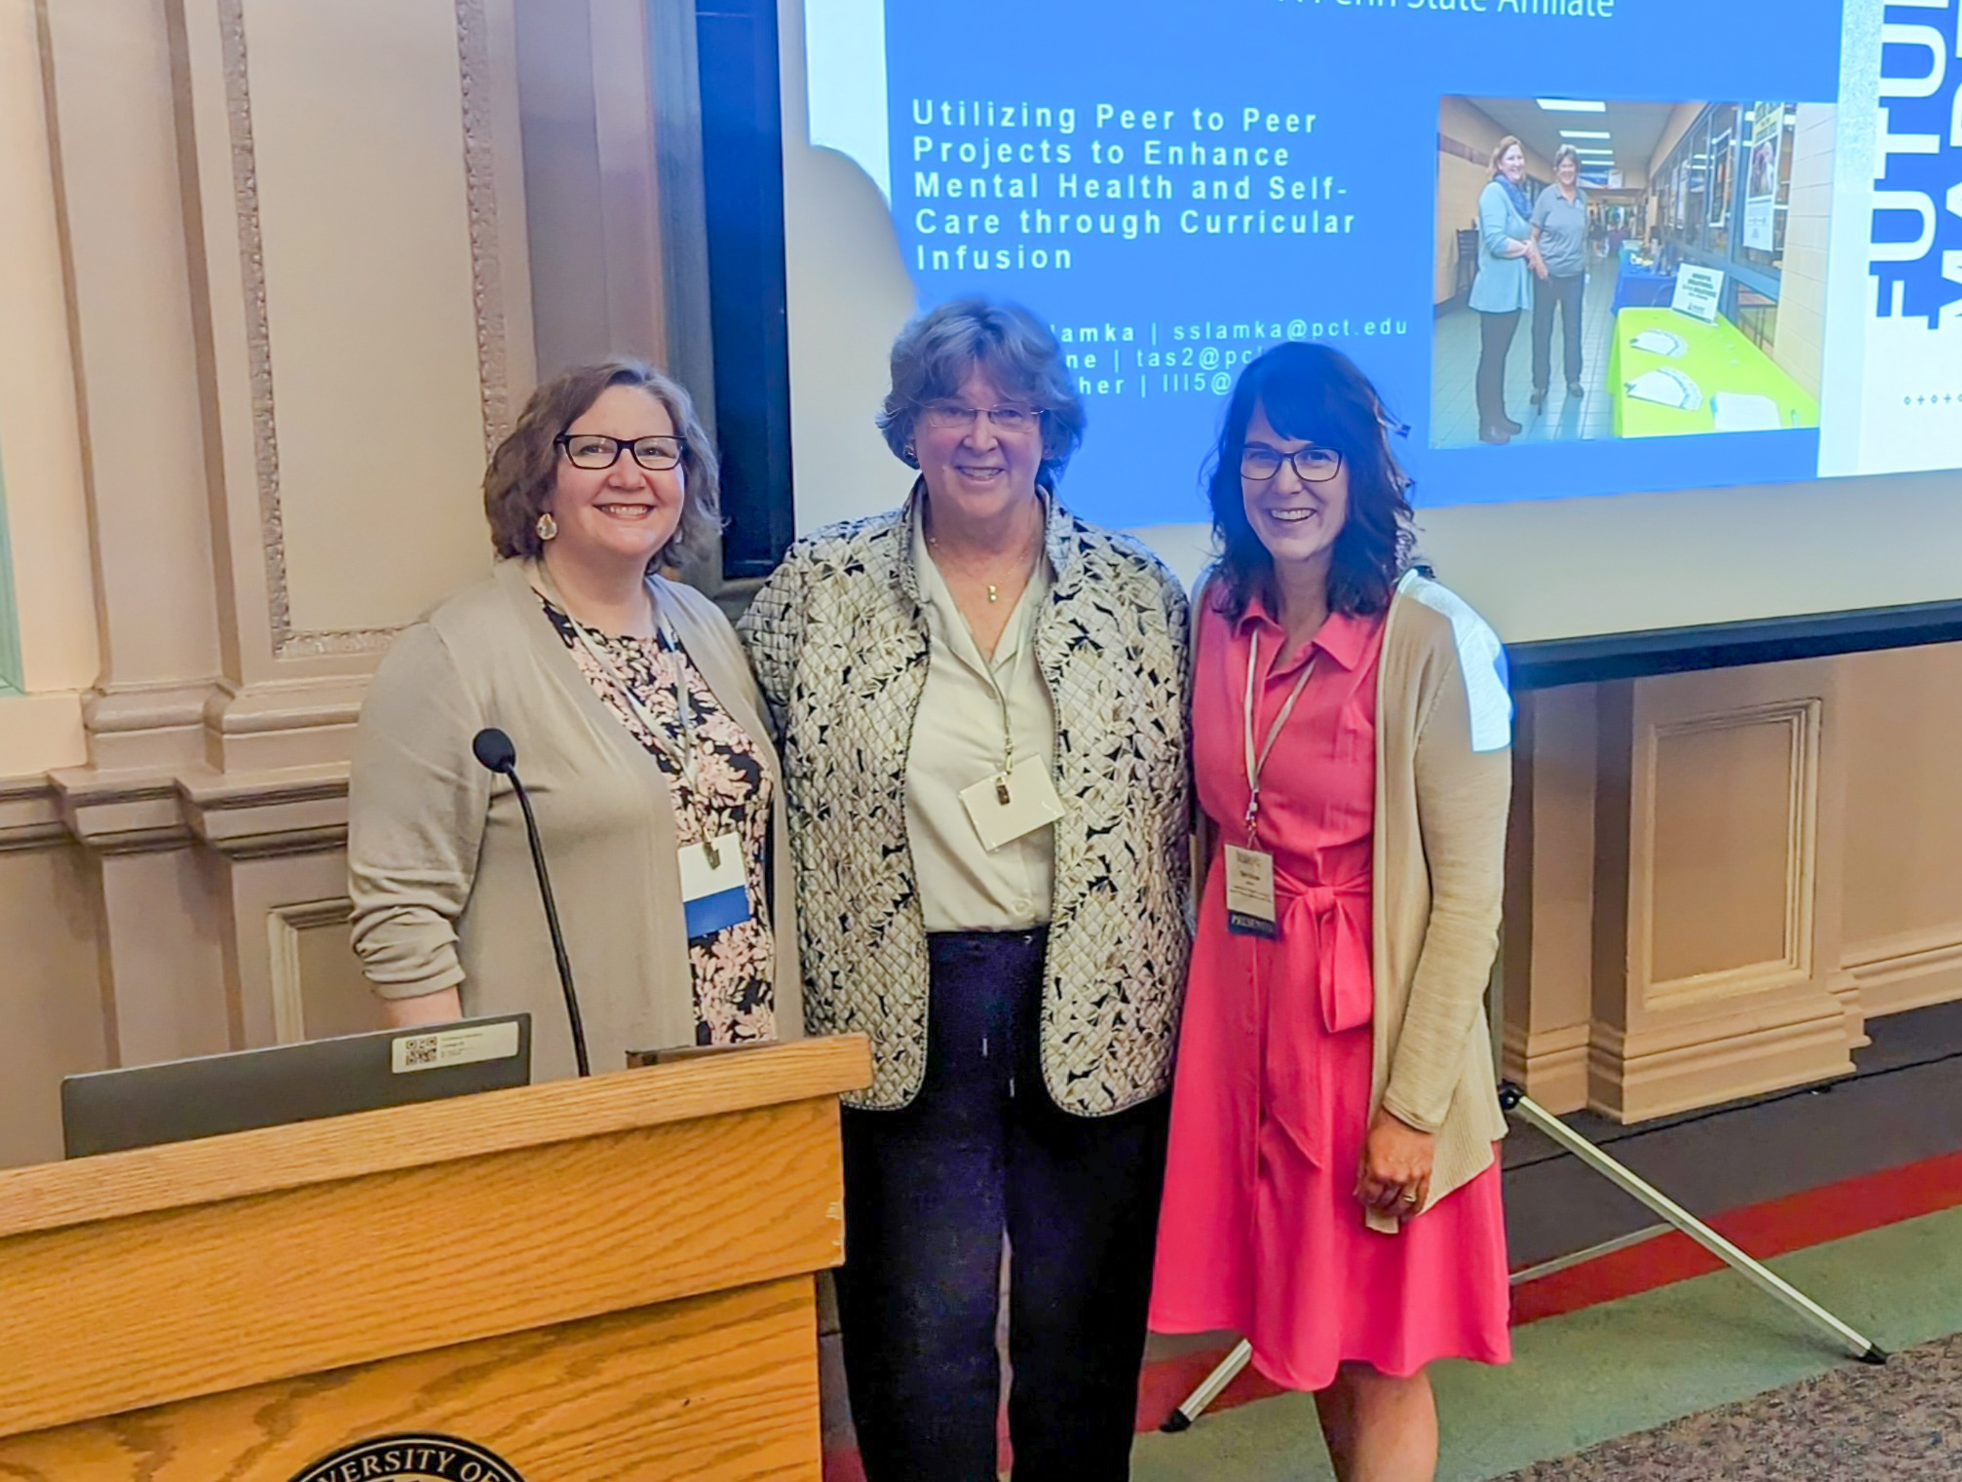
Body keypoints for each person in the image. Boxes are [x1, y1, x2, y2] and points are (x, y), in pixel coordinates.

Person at [740, 297, 1191, 1482]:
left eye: (1010, 409)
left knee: (1079, 1331)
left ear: (1051, 426)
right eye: (952, 407)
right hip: (899, 1004)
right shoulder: (819, 586)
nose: (981, 434)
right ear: (910, 426)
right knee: (918, 1338)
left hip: (1095, 996)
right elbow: (752, 789)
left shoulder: (1139, 595)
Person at [1150, 343, 1514, 1482]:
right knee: (1309, 1331)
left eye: (1316, 453)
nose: (1286, 480)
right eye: (1262, 454)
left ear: (1362, 471)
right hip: (1247, 1029)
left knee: (1381, 1351)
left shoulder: (1435, 638)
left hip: (1369, 1045)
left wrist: (1412, 1106)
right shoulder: (1219, 610)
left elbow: (1470, 904)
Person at [348, 358, 800, 1070]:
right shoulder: (452, 655)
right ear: (540, 478)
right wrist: (465, 1104)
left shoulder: (702, 624)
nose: (630, 475)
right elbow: (402, 915)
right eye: (594, 449)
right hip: (575, 1089)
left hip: (745, 1062)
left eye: (657, 451)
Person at [1467, 136, 1543, 444]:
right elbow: (1497, 243)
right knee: (1492, 358)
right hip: (1495, 293)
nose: (1517, 164)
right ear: (1499, 163)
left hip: (1511, 294)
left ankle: (1499, 416)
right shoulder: (1494, 193)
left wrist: (1528, 248)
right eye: (1511, 158)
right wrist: (1527, 250)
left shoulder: (1515, 196)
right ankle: (1487, 425)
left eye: (1520, 158)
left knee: (1501, 357)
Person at [1529, 145, 1591, 409]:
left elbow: (1582, 234)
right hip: (1547, 275)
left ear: (1576, 169)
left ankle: (1573, 379)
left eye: (1571, 165)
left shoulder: (1583, 199)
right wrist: (1539, 264)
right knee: (1542, 330)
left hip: (1574, 276)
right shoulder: (1546, 197)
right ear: (1556, 170)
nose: (1567, 170)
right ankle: (1540, 383)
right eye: (1563, 166)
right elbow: (1532, 237)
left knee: (1573, 329)